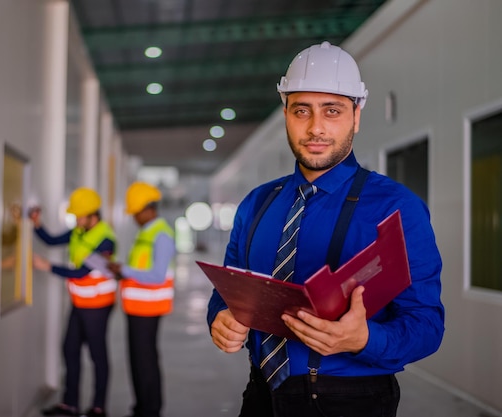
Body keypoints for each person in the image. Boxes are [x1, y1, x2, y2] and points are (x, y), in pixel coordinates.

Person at [206, 41, 444, 417]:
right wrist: (218, 319)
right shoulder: (257, 204)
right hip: (261, 395)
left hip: (350, 399)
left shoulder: (397, 208)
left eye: (332, 111)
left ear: (356, 115)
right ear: (286, 113)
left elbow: (427, 324)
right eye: (302, 110)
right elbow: (229, 292)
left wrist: (366, 338)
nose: (316, 127)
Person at [31, 188, 116, 417]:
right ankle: (70, 405)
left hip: (98, 305)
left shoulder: (105, 240)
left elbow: (81, 273)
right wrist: (37, 224)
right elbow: (51, 240)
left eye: (79, 215)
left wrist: (46, 266)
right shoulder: (79, 231)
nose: (76, 220)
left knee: (97, 355)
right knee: (69, 350)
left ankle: (98, 407)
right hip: (80, 303)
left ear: (92, 215)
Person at [107, 181, 175, 417]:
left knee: (145, 362)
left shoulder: (161, 235)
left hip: (149, 308)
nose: (134, 217)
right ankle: (141, 408)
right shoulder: (146, 232)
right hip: (137, 307)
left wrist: (125, 270)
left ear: (149, 208)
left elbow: (157, 275)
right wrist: (122, 271)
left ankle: (150, 410)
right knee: (137, 361)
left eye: (136, 212)